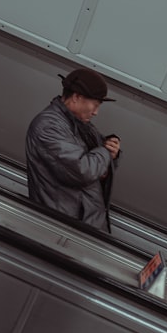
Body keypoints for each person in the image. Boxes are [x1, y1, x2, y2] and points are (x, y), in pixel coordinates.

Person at [25, 67, 121, 232]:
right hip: (63, 230)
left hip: (81, 225)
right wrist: (105, 153)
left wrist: (112, 153)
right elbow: (82, 170)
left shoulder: (80, 125)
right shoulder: (48, 126)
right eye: (95, 105)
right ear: (76, 97)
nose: (96, 112)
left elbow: (99, 165)